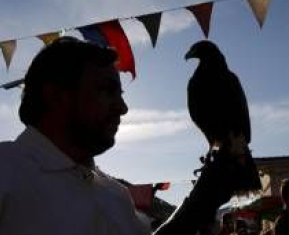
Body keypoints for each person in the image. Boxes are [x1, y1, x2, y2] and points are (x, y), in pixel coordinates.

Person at [0, 37, 238, 235]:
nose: (123, 107)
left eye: (120, 93)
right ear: (56, 96)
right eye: (107, 90)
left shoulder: (116, 195)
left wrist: (201, 201)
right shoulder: (6, 170)